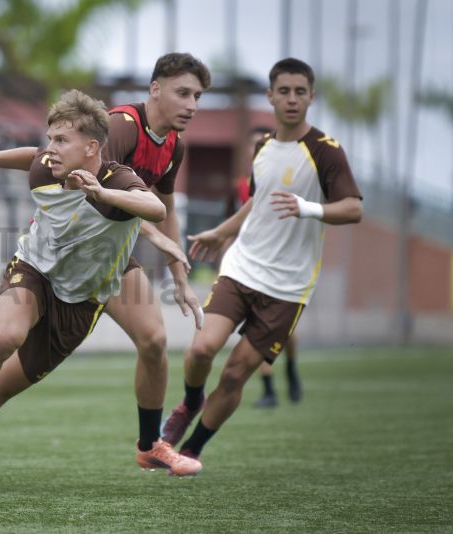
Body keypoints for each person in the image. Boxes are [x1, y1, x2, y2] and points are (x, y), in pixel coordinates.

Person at [0, 53, 211, 473]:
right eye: (184, 93)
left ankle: (149, 443)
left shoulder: (171, 144)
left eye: (198, 96)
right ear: (155, 89)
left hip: (104, 258)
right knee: (0, 345)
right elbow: (84, 179)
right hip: (61, 251)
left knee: (153, 341)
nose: (192, 104)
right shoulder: (117, 128)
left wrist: (179, 277)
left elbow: (157, 206)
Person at [160, 58, 363, 465]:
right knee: (202, 349)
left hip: (288, 286)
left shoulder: (326, 152)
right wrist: (223, 231)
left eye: (300, 92)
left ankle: (193, 450)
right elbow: (259, 198)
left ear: (311, 97)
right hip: (242, 266)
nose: (291, 99)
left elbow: (353, 209)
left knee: (235, 374)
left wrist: (310, 209)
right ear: (270, 96)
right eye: (283, 91)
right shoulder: (263, 146)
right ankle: (190, 402)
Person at [237, 127, 304, 409]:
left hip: (285, 264)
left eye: (263, 145)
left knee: (284, 329)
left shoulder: (289, 183)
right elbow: (233, 223)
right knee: (257, 324)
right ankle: (268, 390)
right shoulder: (241, 186)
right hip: (252, 263)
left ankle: (290, 366)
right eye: (254, 146)